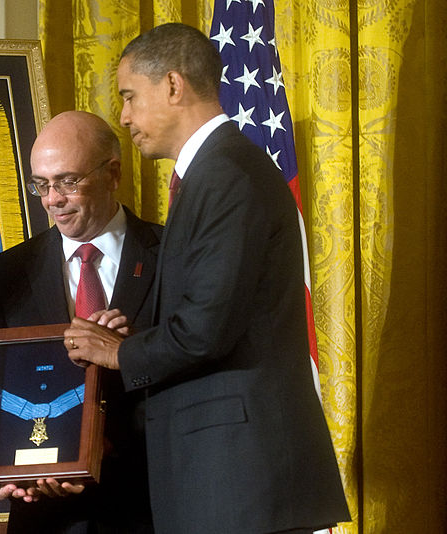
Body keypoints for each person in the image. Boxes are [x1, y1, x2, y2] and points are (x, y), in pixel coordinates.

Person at [64, 23, 351, 534]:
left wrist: (117, 352)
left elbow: (205, 328)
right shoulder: (211, 175)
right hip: (224, 480)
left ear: (173, 86)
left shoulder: (227, 177)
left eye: (130, 96)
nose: (124, 117)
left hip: (239, 480)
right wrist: (135, 335)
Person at [0, 110, 161, 533]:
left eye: (67, 181)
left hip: (150, 503)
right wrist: (14, 475)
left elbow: (197, 362)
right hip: (46, 518)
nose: (51, 199)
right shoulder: (5, 274)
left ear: (113, 173)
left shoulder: (173, 255)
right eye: (41, 184)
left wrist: (128, 350)